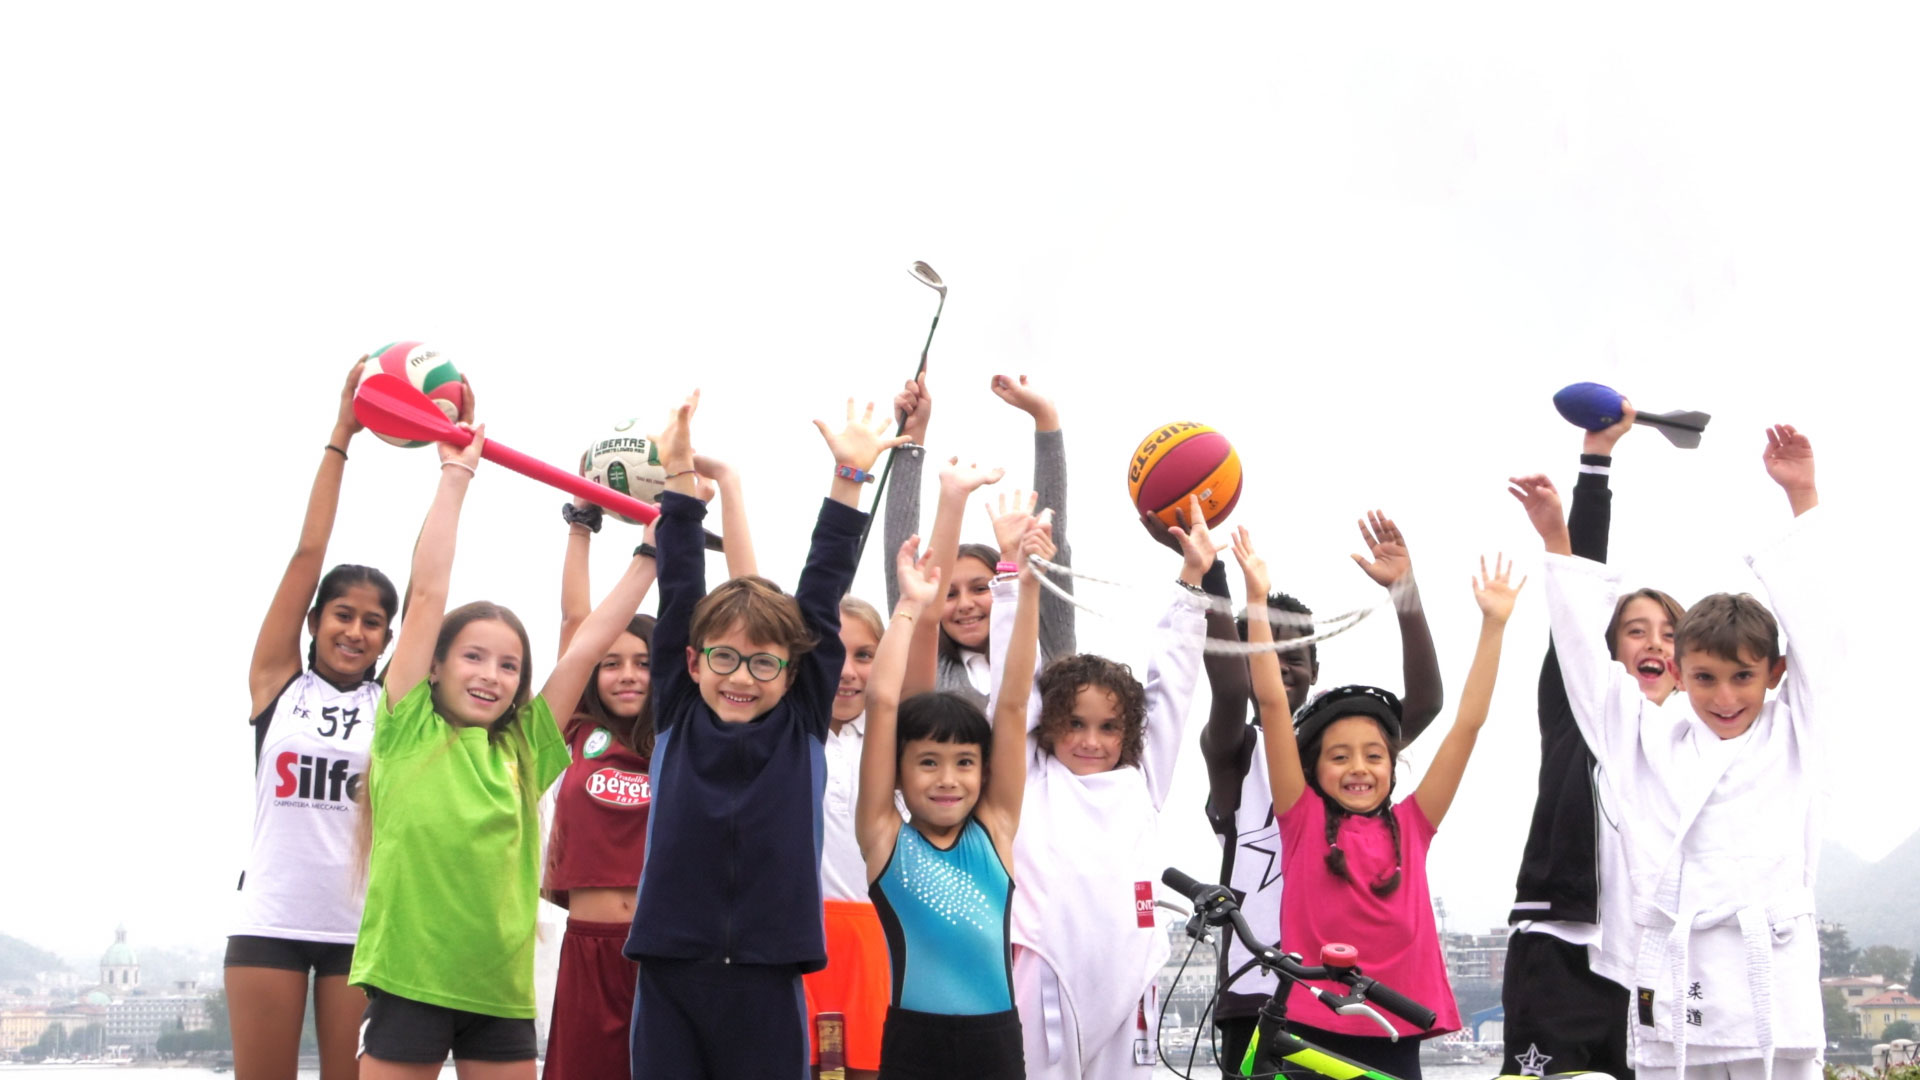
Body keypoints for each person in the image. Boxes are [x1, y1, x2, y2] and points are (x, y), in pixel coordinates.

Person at [349, 420, 657, 1080]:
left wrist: (651, 556)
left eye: (510, 666)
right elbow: (428, 592)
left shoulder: (527, 749)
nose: (492, 674)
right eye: (474, 657)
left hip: (499, 995)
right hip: (409, 983)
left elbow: (587, 643)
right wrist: (456, 476)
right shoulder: (406, 729)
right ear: (433, 666)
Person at [624, 391, 906, 1079]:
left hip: (771, 975)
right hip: (670, 973)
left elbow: (823, 586)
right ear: (692, 662)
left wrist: (848, 481)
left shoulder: (803, 716)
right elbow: (681, 585)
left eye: (764, 661)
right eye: (723, 657)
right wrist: (682, 479)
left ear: (792, 670)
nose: (741, 676)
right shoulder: (679, 709)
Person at [1540, 425, 1829, 1080]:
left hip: (1771, 997)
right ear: (1677, 668)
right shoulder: (1650, 739)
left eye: (1742, 677)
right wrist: (1559, 546)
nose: (1724, 697)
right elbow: (1584, 666)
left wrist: (1803, 497)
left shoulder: (1799, 733)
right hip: (1680, 991)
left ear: (1775, 672)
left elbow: (1822, 630)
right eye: (1704, 678)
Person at [1244, 524, 1522, 1079]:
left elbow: (1467, 724)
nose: (1359, 768)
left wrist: (1493, 625)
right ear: (1312, 769)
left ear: (1393, 767)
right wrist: (1255, 601)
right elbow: (1274, 705)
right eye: (1339, 756)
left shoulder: (1414, 824)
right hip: (1309, 1026)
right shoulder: (1300, 818)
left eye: (1374, 755)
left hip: (1395, 1030)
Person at [1180, 508, 1445, 1074]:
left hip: (1336, 994)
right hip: (1254, 989)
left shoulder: (1345, 758)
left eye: (1292, 654)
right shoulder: (1237, 749)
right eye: (1263, 650)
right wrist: (1209, 577)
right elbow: (1232, 685)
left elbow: (1425, 703)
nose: (1278, 664)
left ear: (1315, 666)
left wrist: (1404, 592)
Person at [544, 462, 756, 1080]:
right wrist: (581, 526)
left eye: (641, 661)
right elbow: (575, 629)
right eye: (612, 664)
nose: (628, 673)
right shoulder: (578, 732)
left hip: (669, 946)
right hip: (585, 945)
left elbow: (737, 626)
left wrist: (687, 530)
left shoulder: (681, 737)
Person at [994, 494, 1215, 1080]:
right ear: (1051, 724)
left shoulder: (1141, 781)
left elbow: (1174, 686)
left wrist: (1192, 581)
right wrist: (1013, 578)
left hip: (1133, 981)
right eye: (1075, 724)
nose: (1091, 741)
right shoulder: (1032, 779)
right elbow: (1009, 694)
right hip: (1047, 973)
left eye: (1109, 727)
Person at [1500, 401, 1680, 1080]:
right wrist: (1596, 463)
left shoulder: (1693, 746)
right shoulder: (1581, 711)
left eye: (1669, 634)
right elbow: (1582, 595)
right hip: (1560, 948)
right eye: (1636, 631)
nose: (1654, 644)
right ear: (1603, 652)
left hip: (1652, 966)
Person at [232, 357, 397, 1080]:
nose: (355, 631)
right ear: (314, 622)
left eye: (372, 623)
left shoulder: (392, 705)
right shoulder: (276, 683)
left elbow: (429, 593)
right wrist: (343, 434)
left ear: (389, 639)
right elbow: (308, 555)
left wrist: (456, 467)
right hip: (267, 920)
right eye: (342, 615)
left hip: (359, 930)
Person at [855, 524, 1047, 1079]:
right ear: (898, 771)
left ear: (984, 772)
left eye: (964, 762)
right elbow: (883, 700)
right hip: (915, 1044)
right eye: (928, 762)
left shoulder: (996, 828)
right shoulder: (884, 835)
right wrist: (910, 607)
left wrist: (1026, 585)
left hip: (996, 1044)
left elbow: (1012, 705)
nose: (948, 780)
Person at [883, 370, 1075, 707]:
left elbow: (1051, 536)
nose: (965, 604)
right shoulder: (931, 670)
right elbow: (899, 554)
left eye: (980, 587)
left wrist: (1046, 419)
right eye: (950, 594)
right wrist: (910, 440)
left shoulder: (1047, 648)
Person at [802, 592, 895, 1080]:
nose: (847, 671)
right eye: (832, 653)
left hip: (874, 942)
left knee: (867, 1071)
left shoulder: (894, 739)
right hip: (798, 938)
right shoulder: (789, 735)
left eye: (864, 655)